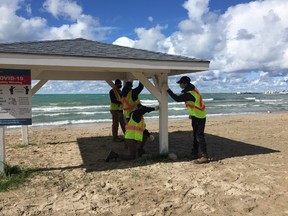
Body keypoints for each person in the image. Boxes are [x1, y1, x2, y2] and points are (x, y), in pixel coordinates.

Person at [166, 76, 209, 164]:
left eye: (180, 83)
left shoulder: (190, 93)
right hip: (196, 115)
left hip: (199, 116)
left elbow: (177, 99)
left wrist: (168, 90)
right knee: (195, 135)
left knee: (199, 136)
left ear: (185, 83)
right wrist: (192, 114)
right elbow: (193, 103)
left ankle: (204, 156)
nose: (180, 85)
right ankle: (194, 153)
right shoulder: (191, 90)